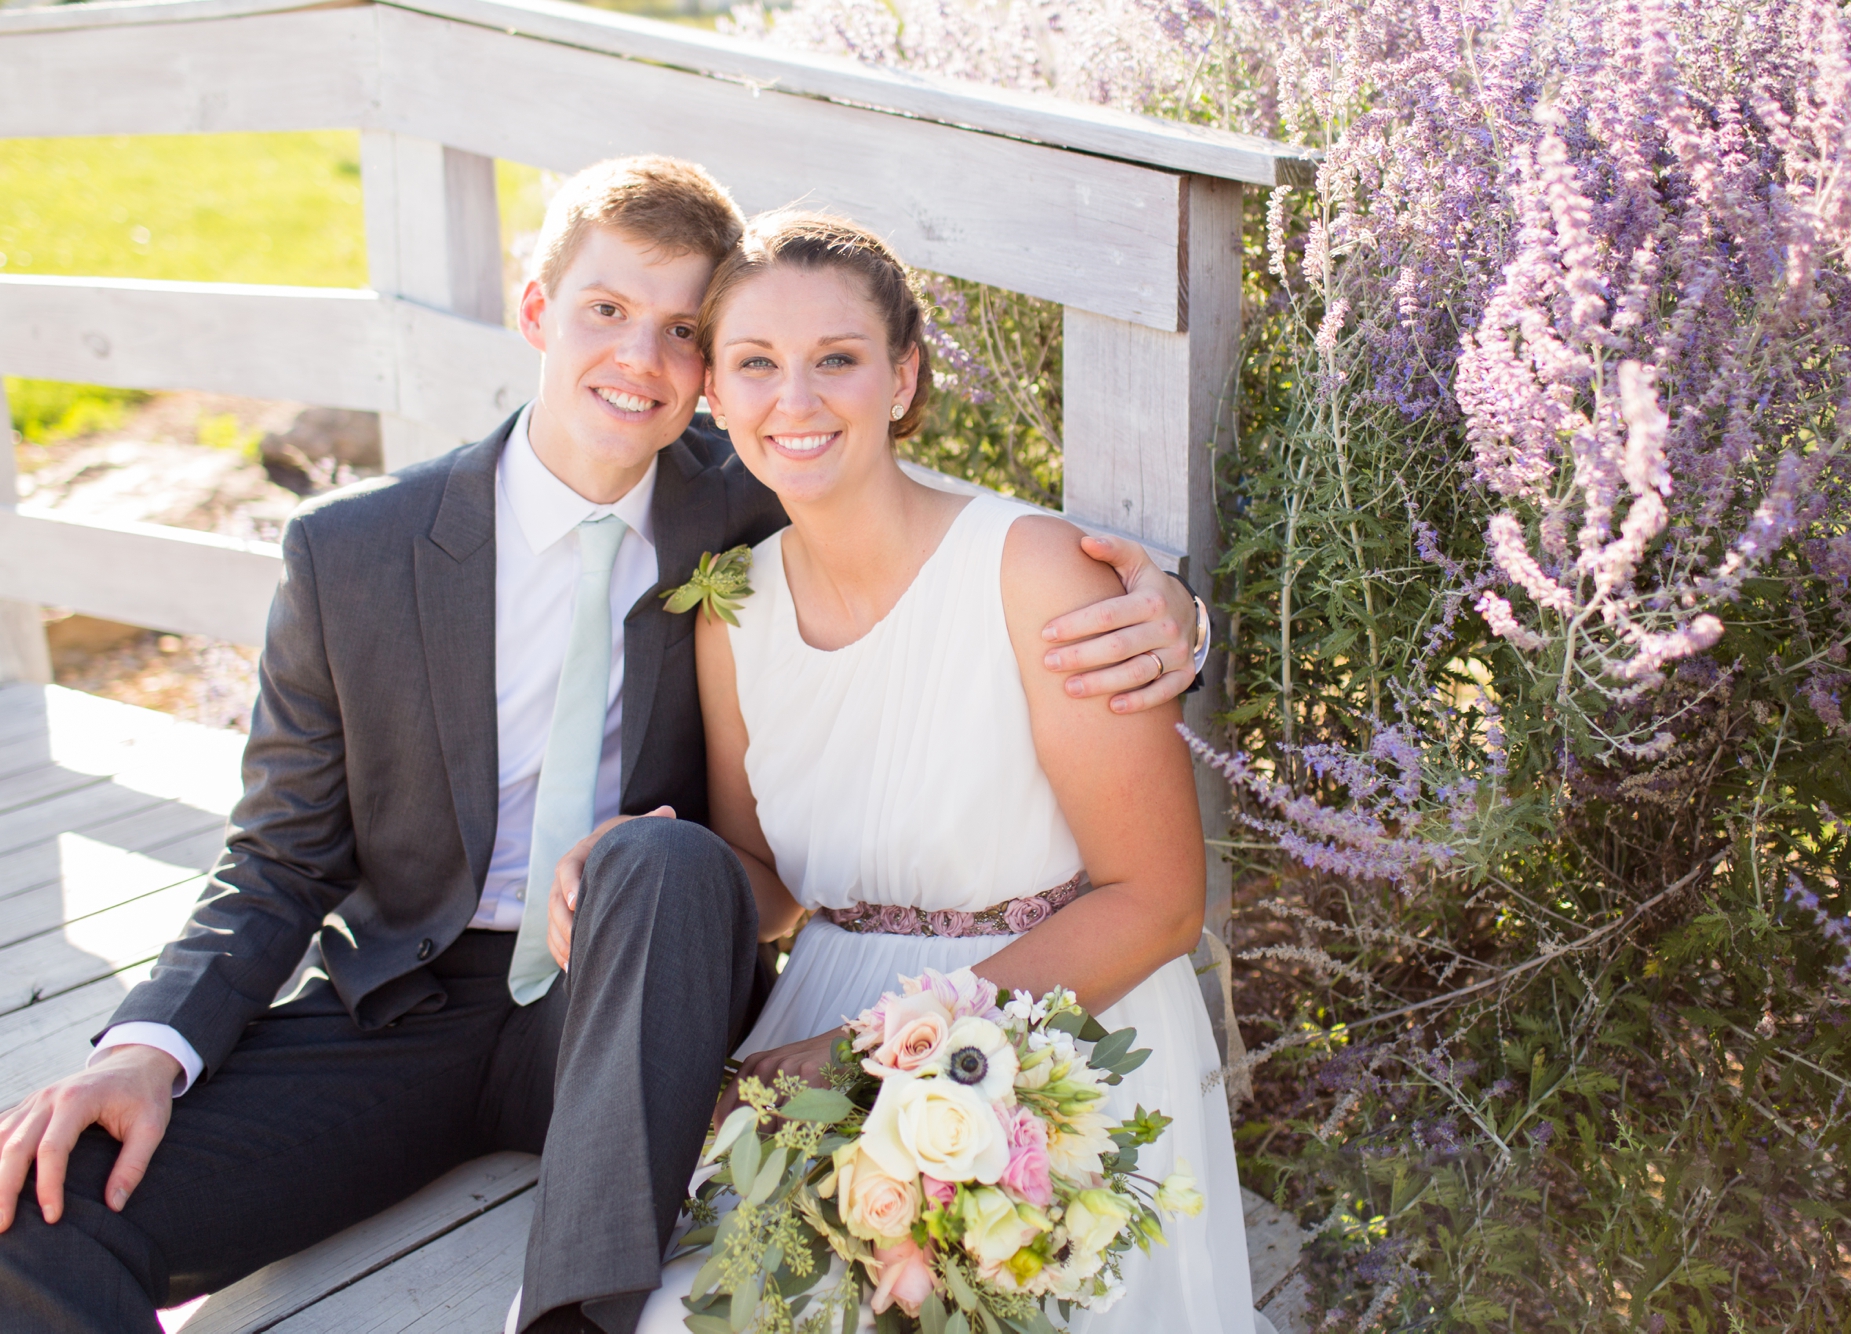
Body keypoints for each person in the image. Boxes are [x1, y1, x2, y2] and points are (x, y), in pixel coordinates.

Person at [0, 158, 1208, 1334]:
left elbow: (909, 520)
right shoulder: (351, 554)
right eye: (607, 310)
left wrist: (1172, 609)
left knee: (663, 857)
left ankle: (577, 1316)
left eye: (682, 331)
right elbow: (274, 857)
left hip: (636, 999)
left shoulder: (743, 512)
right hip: (404, 1003)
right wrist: (146, 1044)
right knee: (37, 1218)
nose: (641, 358)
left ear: (706, 380)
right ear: (536, 310)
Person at [542, 211, 1254, 1332]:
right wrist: (630, 862)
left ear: (904, 374)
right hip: (823, 1014)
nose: (798, 399)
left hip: (1047, 1020)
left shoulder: (1034, 572)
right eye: (755, 364)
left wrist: (860, 1057)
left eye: (837, 359)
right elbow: (767, 878)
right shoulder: (731, 608)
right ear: (715, 396)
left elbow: (1158, 904)